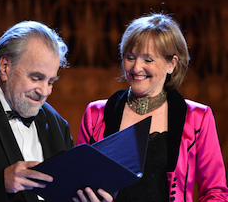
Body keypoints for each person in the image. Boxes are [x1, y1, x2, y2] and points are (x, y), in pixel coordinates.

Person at [0, 21, 113, 202]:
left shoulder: (57, 124)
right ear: (5, 67)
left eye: (51, 82)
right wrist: (0, 182)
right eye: (36, 78)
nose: (44, 91)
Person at [77, 13, 228, 202]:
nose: (136, 68)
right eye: (130, 57)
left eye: (148, 60)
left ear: (171, 63)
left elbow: (215, 193)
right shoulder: (96, 113)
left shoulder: (198, 117)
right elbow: (78, 184)